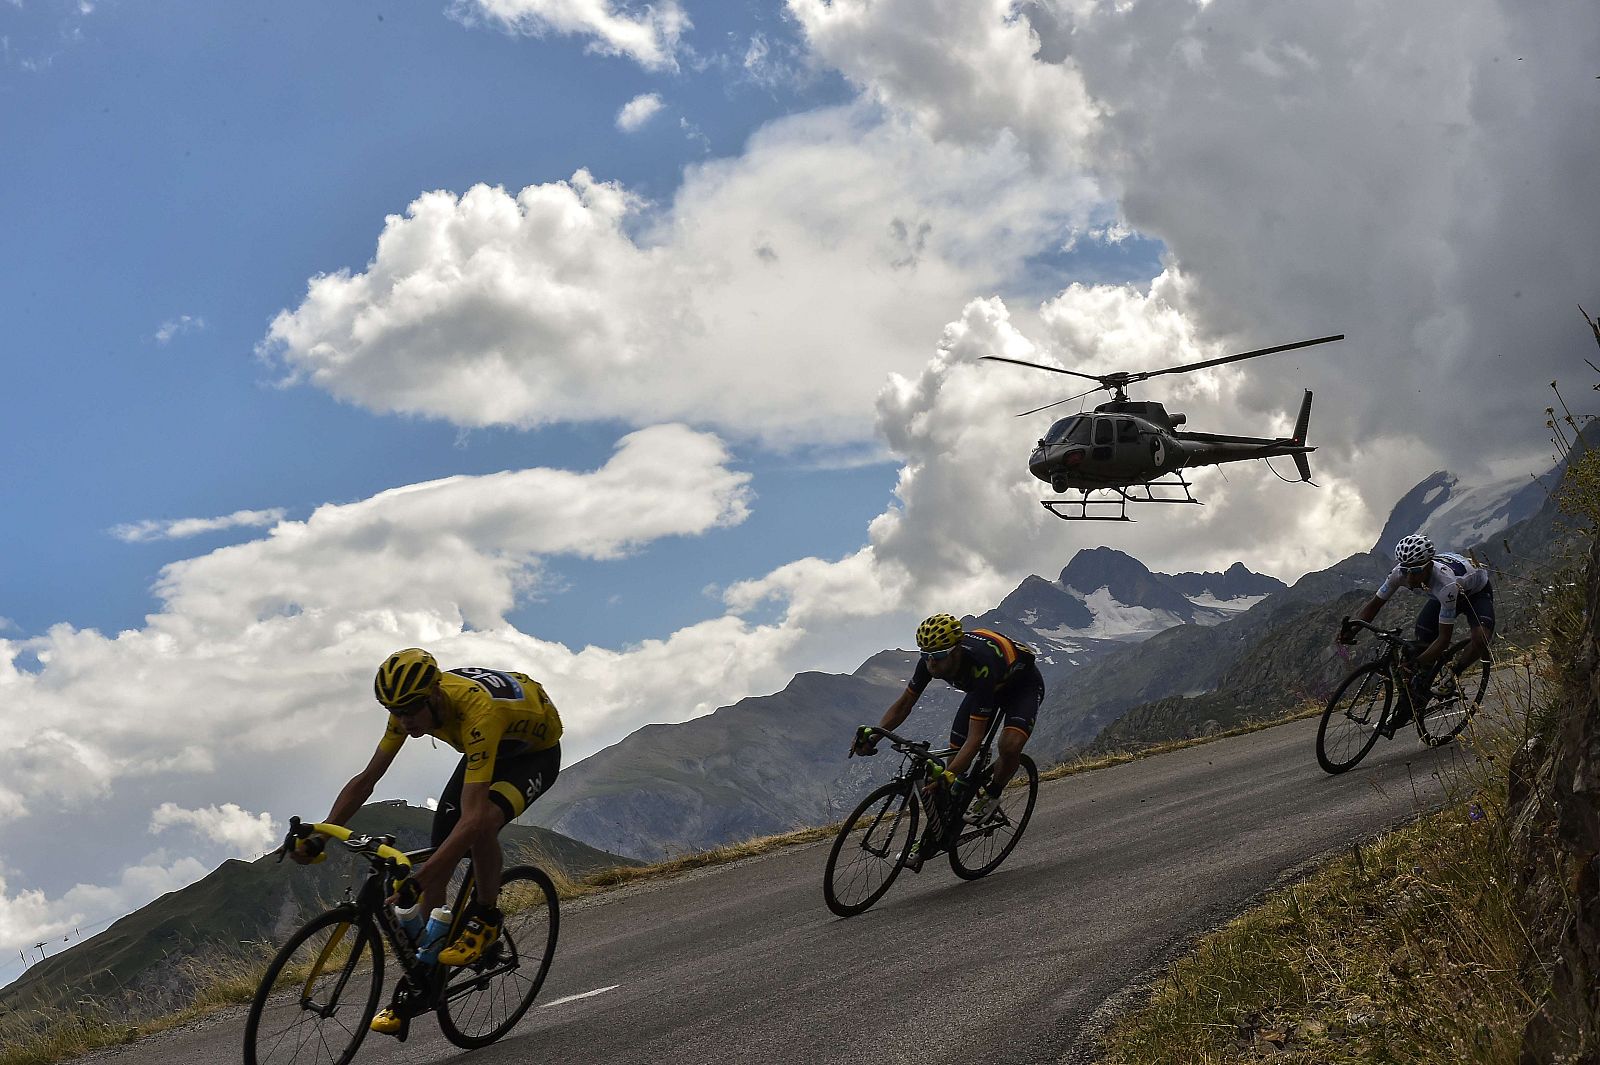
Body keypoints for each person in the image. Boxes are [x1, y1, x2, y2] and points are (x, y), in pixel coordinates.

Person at [291, 648, 562, 1035]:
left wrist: (422, 877)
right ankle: (427, 976)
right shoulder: (408, 707)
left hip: (533, 754)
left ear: (434, 695)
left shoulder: (478, 713)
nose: (405, 722)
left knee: (480, 824)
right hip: (486, 749)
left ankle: (486, 917)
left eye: (411, 712)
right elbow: (367, 779)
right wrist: (323, 830)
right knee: (441, 850)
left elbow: (470, 821)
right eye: (396, 712)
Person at [854, 614, 1044, 860]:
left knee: (1008, 745)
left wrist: (949, 774)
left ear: (956, 652)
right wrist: (876, 734)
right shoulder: (929, 661)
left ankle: (993, 793)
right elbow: (904, 705)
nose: (932, 663)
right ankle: (936, 835)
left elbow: (975, 740)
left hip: (1021, 688)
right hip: (982, 692)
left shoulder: (980, 665)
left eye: (939, 656)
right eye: (926, 655)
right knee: (955, 764)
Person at [1337, 533, 1495, 733]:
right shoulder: (1399, 573)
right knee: (1418, 646)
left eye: (1416, 571)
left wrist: (1417, 663)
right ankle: (1412, 702)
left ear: (1429, 565)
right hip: (1440, 598)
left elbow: (1444, 638)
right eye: (1406, 570)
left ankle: (1452, 676)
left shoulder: (1446, 584)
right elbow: (1375, 605)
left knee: (1481, 638)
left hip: (1474, 594)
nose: (1410, 578)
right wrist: (1354, 628)